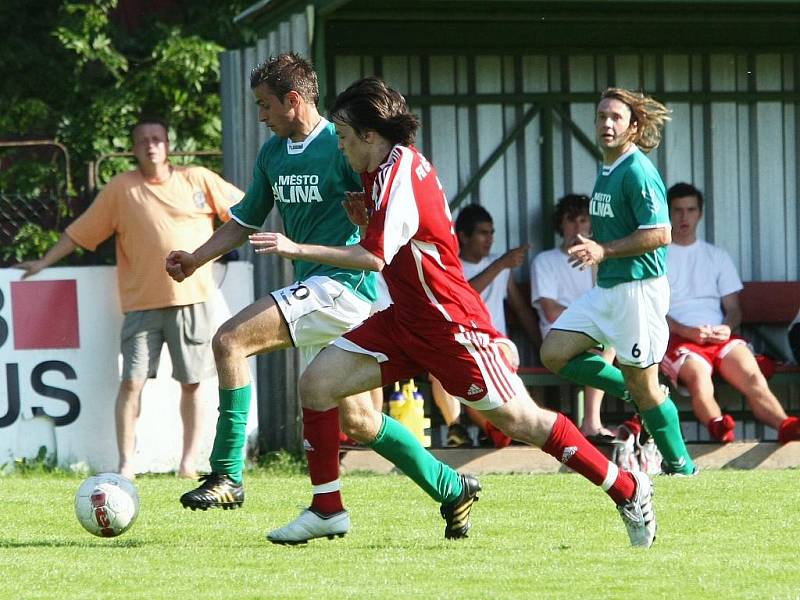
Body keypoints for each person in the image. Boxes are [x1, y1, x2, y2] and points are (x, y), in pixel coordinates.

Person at [253, 77, 658, 548]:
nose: (339, 148)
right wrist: (369, 220)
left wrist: (294, 246)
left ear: (369, 135)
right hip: (405, 320)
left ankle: (628, 488)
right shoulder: (383, 164)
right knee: (317, 384)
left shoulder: (397, 176)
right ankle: (327, 509)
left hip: (451, 327)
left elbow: (374, 258)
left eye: (343, 138)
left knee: (523, 422)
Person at [166, 53, 378, 512]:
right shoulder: (273, 154)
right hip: (318, 289)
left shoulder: (339, 146)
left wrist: (369, 215)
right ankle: (450, 486)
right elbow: (244, 220)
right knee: (360, 421)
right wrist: (196, 259)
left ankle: (227, 474)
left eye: (265, 105)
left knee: (229, 341)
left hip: (344, 286)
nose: (260, 116)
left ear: (293, 100)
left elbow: (382, 210)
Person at [15, 116, 243, 480]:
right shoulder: (120, 189)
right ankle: (127, 463)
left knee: (192, 383)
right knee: (131, 382)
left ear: (169, 145)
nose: (151, 145)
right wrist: (43, 261)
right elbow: (80, 233)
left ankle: (188, 463)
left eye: (157, 139)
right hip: (141, 304)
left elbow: (248, 211)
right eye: (143, 140)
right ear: (133, 149)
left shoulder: (197, 178)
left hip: (193, 300)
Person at [539, 87, 696, 476]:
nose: (607, 124)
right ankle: (637, 391)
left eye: (616, 118)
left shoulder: (637, 170)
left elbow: (661, 233)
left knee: (646, 388)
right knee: (554, 353)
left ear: (633, 126)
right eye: (601, 116)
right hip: (607, 289)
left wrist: (603, 251)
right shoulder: (607, 168)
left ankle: (683, 468)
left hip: (638, 290)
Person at [661, 182, 800, 443]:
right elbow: (652, 312)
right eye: (678, 210)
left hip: (718, 336)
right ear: (668, 213)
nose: (684, 217)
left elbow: (734, 309)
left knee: (752, 375)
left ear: (699, 214)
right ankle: (718, 426)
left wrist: (727, 326)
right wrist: (685, 330)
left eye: (690, 210)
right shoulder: (658, 257)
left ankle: (787, 426)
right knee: (699, 378)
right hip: (678, 338)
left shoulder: (717, 256)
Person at [433, 204, 540, 448]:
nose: (489, 239)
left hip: (496, 344)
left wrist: (541, 348)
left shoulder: (501, 267)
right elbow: (462, 299)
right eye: (483, 233)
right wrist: (501, 264)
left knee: (488, 371)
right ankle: (466, 429)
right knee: (442, 367)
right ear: (463, 236)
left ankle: (495, 429)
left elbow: (522, 310)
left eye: (491, 233)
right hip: (459, 344)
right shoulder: (451, 267)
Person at [530, 193, 615, 441]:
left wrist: (595, 261)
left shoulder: (599, 261)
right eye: (571, 220)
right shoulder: (545, 261)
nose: (578, 227)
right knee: (604, 347)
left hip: (595, 332)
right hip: (558, 333)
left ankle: (641, 421)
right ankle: (592, 424)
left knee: (621, 346)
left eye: (583, 220)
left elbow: (608, 302)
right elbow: (550, 311)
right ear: (560, 224)